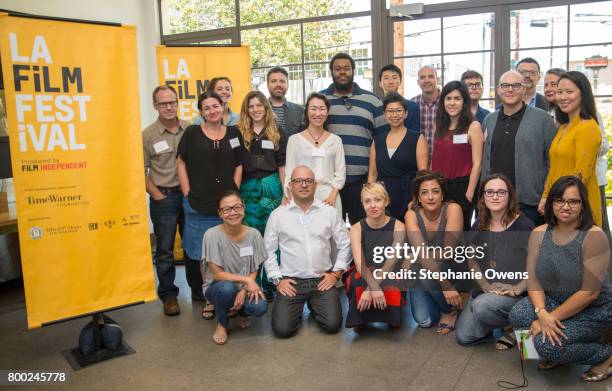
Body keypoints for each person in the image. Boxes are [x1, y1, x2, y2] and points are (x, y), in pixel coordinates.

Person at [510, 176, 611, 382]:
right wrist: (541, 312)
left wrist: (550, 317)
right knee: (518, 314)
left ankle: (605, 354)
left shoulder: (594, 236)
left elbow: (589, 293)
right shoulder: (539, 233)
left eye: (573, 201)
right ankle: (560, 353)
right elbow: (533, 278)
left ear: (583, 205)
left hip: (593, 310)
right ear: (551, 203)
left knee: (547, 346)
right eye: (559, 200)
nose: (566, 206)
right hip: (556, 301)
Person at [177, 91, 246, 320]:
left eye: (215, 106)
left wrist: (233, 190)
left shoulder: (234, 133)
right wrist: (187, 192)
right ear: (201, 112)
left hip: (228, 207)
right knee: (204, 257)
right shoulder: (192, 133)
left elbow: (239, 164)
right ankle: (210, 299)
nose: (212, 111)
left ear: (222, 106)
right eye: (206, 108)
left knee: (229, 252)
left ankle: (233, 297)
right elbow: (181, 162)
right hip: (199, 205)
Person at [264, 166, 352, 338]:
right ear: (290, 185)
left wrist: (335, 274)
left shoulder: (330, 213)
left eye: (308, 181)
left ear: (315, 185)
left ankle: (315, 303)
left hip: (322, 280)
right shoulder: (278, 215)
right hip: (291, 282)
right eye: (298, 181)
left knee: (332, 325)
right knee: (282, 330)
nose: (303, 185)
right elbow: (268, 250)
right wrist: (277, 280)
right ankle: (302, 305)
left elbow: (346, 244)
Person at [455, 174, 534, 348]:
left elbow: (537, 267)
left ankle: (519, 326)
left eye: (501, 192)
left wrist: (516, 289)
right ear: (483, 197)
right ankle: (501, 323)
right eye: (489, 192)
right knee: (464, 336)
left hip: (517, 295)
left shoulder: (524, 226)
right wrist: (484, 285)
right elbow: (471, 259)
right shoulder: (478, 225)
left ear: (510, 196)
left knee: (483, 306)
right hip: (486, 292)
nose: (495, 197)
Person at [481, 70, 557, 225]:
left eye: (516, 85)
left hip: (529, 202)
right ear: (499, 90)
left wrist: (546, 194)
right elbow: (485, 158)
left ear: (524, 89)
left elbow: (552, 161)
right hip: (494, 200)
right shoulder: (489, 119)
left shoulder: (542, 119)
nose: (510, 89)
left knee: (528, 247)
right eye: (505, 85)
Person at [320, 52, 387, 224]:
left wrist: (375, 179)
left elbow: (382, 140)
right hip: (330, 180)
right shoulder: (320, 101)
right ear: (331, 72)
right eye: (337, 69)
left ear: (353, 71)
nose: (342, 72)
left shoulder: (372, 101)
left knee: (364, 227)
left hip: (362, 180)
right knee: (330, 230)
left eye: (347, 69)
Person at [143, 85, 191, 315]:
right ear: (155, 106)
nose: (169, 107)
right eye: (163, 103)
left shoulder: (190, 129)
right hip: (165, 197)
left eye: (172, 102)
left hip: (189, 197)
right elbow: (139, 171)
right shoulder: (147, 135)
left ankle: (199, 290)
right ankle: (169, 295)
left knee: (193, 245)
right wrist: (156, 195)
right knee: (164, 249)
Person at [238, 91, 287, 298]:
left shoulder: (277, 132)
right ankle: (252, 282)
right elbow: (236, 164)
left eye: (260, 105)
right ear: (246, 110)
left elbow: (282, 166)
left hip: (271, 187)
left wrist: (286, 193)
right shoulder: (238, 133)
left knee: (271, 237)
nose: (256, 109)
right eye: (251, 106)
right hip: (247, 188)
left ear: (266, 108)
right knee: (250, 236)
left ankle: (271, 282)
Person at [203, 191, 268, 345]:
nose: (233, 213)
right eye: (227, 209)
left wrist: (244, 289)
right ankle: (222, 323)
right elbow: (217, 274)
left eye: (237, 207)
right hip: (217, 287)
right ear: (220, 213)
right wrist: (246, 281)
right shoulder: (211, 235)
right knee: (227, 289)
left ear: (243, 208)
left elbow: (254, 268)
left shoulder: (254, 235)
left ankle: (240, 311)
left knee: (260, 307)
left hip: (243, 286)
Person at [539, 71, 602, 226]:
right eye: (559, 92)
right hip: (561, 202)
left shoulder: (587, 128)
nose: (563, 97)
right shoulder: (564, 126)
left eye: (569, 92)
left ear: (583, 94)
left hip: (576, 205)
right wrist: (546, 196)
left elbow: (581, 176)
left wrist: (565, 205)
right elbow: (554, 167)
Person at [405, 171, 464, 334]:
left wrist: (416, 255)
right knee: (425, 321)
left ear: (443, 194)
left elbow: (448, 253)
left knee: (424, 271)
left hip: (451, 269)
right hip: (424, 271)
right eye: (424, 192)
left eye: (435, 191)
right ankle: (441, 300)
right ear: (418, 197)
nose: (430, 197)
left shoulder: (453, 209)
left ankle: (450, 309)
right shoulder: (411, 215)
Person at [344, 183, 407, 328]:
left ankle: (391, 316)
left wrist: (371, 289)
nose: (373, 205)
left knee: (390, 282)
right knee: (356, 282)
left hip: (390, 269)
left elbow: (391, 263)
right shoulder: (356, 228)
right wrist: (373, 287)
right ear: (362, 204)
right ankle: (360, 317)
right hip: (365, 269)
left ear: (386, 201)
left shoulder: (399, 227)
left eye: (377, 200)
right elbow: (359, 264)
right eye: (367, 201)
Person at [431, 81, 483, 230]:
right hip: (439, 186)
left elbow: (477, 163)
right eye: (448, 98)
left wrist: (470, 193)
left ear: (464, 102)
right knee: (440, 229)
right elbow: (435, 157)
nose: (452, 103)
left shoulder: (473, 127)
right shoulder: (439, 125)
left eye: (457, 99)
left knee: (460, 233)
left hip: (462, 186)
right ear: (443, 102)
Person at [368, 93, 428, 220]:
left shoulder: (417, 138)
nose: (394, 115)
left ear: (406, 113)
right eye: (390, 111)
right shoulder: (377, 140)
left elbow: (422, 174)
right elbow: (372, 174)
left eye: (399, 110)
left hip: (408, 196)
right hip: (382, 197)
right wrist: (370, 198)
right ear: (384, 114)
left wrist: (417, 198)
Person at [284, 93, 345, 214]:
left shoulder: (336, 140)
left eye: (322, 109)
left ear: (327, 112)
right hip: (302, 195)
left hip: (330, 197)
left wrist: (333, 195)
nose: (318, 113)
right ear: (307, 112)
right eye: (313, 109)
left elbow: (340, 173)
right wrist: (289, 195)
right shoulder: (294, 140)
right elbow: (289, 172)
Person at [411, 65, 441, 164]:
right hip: (417, 162)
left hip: (442, 160)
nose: (427, 80)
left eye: (431, 76)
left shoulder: (447, 103)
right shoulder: (412, 104)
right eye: (422, 77)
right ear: (418, 82)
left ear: (437, 79)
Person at [378, 64, 420, 131]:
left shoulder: (412, 107)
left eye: (394, 78)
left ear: (400, 81)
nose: (391, 82)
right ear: (380, 83)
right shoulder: (376, 107)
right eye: (386, 78)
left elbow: (415, 136)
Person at [266, 66, 304, 137]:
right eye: (273, 81)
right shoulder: (258, 111)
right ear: (267, 85)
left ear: (287, 85)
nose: (278, 84)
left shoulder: (300, 111)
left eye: (282, 81)